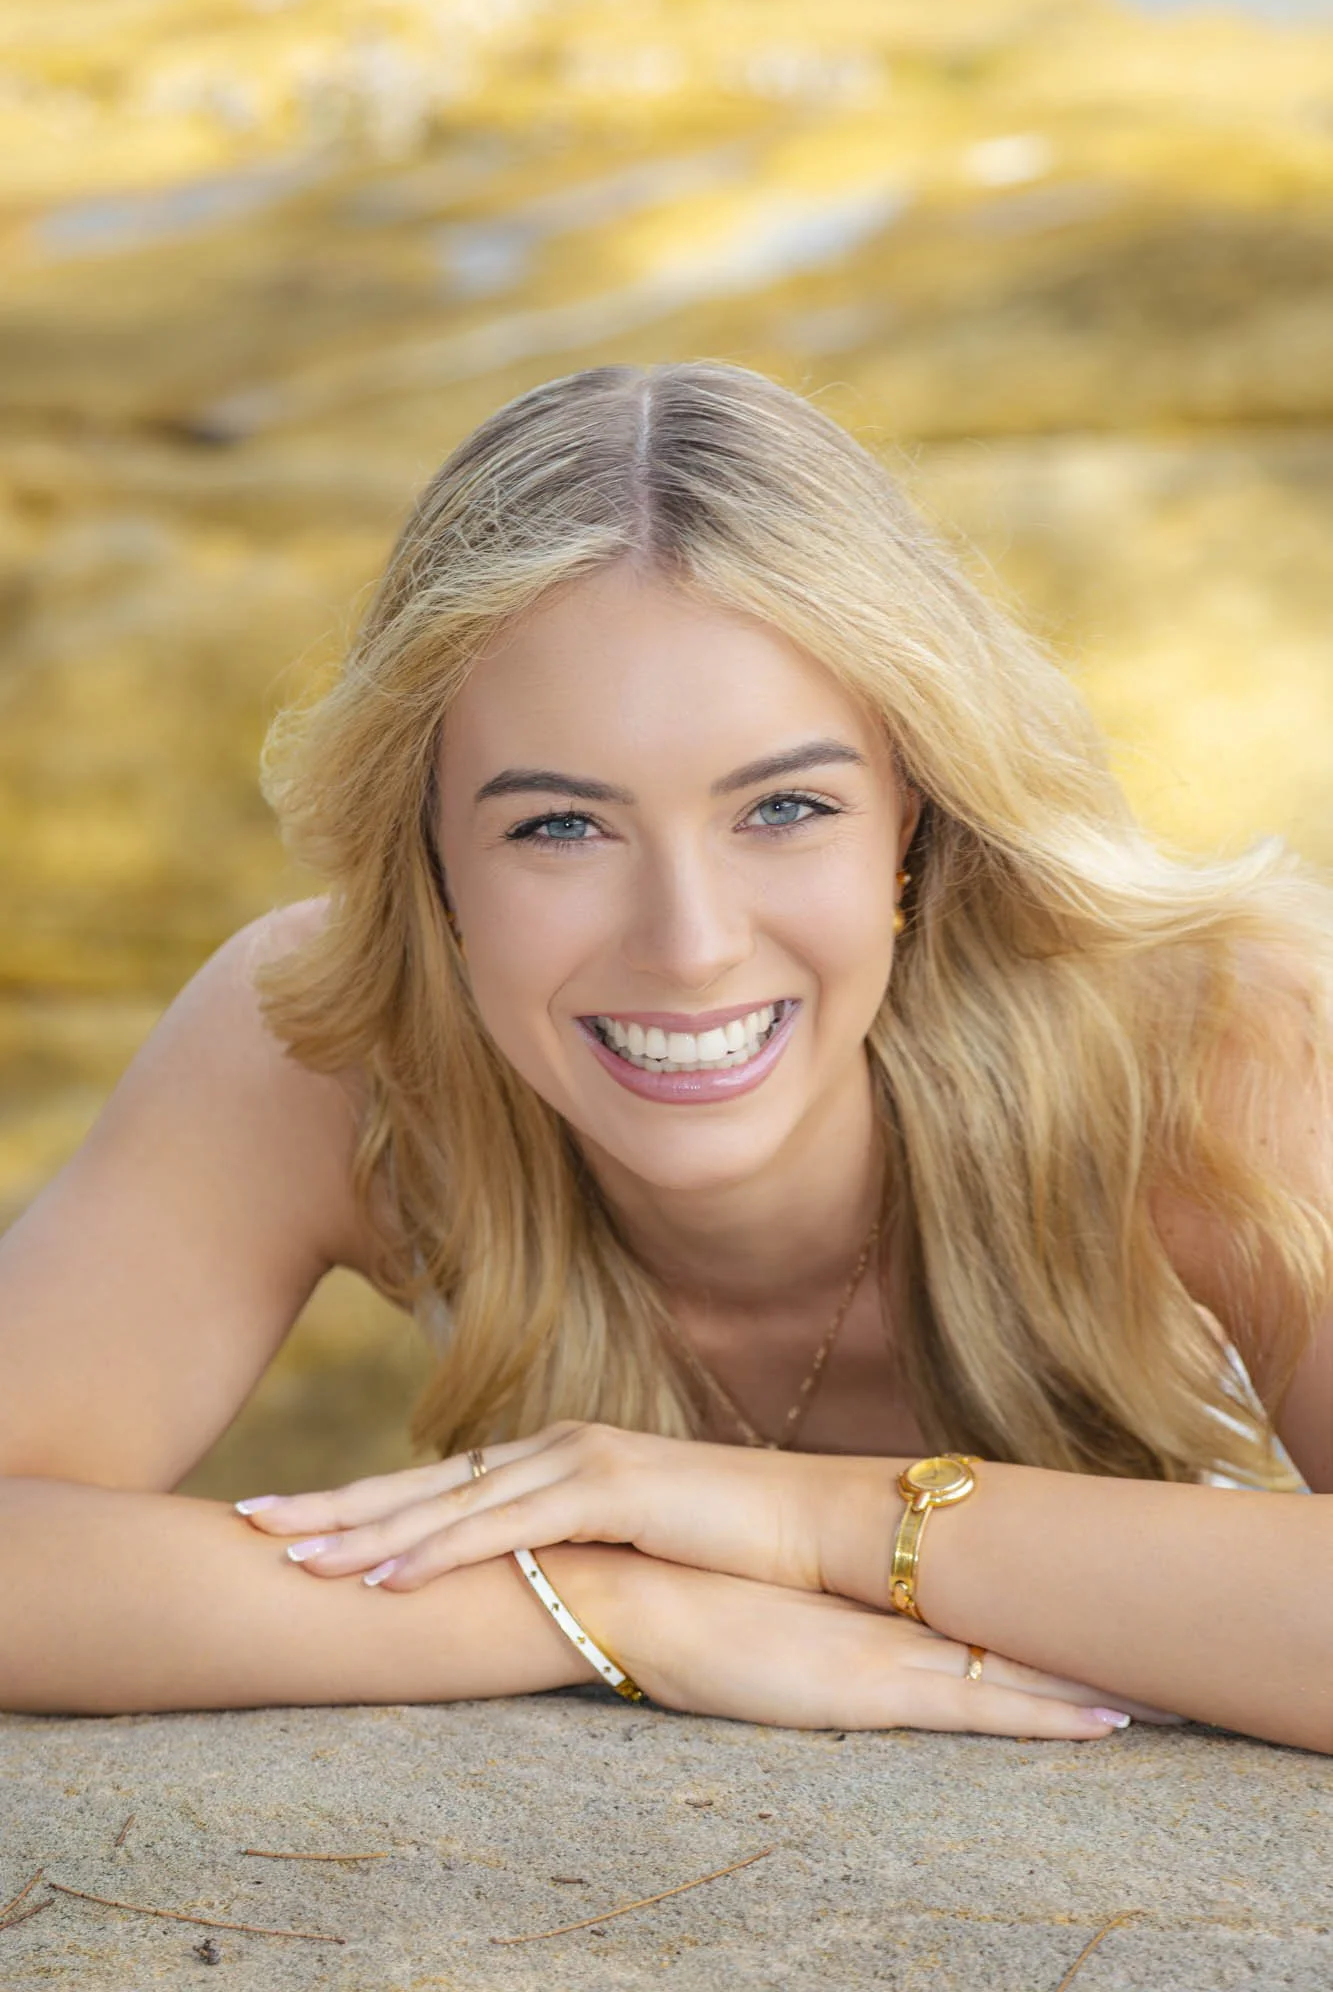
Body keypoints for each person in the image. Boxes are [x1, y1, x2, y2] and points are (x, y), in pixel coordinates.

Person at [1, 362, 1329, 1752]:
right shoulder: (334, 1035)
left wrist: (796, 1522)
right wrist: (605, 1604)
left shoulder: (1210, 1036)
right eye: (562, 828)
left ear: (914, 819)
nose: (688, 946)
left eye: (786, 807)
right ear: (432, 857)